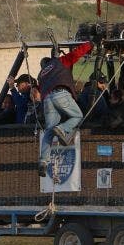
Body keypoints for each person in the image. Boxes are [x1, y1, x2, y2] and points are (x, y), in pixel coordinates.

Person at [37, 41, 94, 175]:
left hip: (47, 100)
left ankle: (43, 162)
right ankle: (61, 129)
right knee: (78, 116)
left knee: (49, 131)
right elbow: (76, 54)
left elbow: (41, 90)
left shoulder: (41, 74)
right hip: (60, 93)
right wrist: (90, 44)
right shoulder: (60, 61)